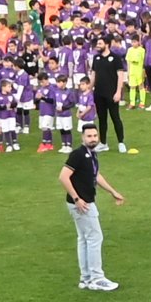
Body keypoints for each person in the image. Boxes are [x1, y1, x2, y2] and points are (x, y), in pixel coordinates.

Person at [60, 123, 126, 291]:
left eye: (95, 136)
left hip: (83, 202)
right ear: (82, 137)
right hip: (82, 204)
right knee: (95, 238)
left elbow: (95, 175)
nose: (93, 139)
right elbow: (63, 177)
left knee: (84, 239)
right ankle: (97, 278)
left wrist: (113, 191)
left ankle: (86, 278)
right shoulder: (78, 155)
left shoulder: (92, 154)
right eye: (89, 136)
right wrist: (77, 198)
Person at [87, 38, 131, 154]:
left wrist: (118, 92)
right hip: (99, 93)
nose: (98, 45)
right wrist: (89, 89)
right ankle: (103, 143)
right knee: (102, 119)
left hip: (111, 94)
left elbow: (120, 76)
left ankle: (121, 142)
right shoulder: (96, 58)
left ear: (107, 44)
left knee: (115, 118)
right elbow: (93, 75)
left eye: (100, 43)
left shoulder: (115, 58)